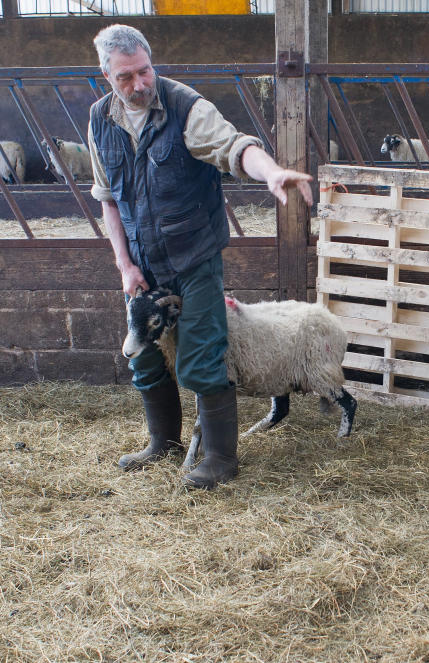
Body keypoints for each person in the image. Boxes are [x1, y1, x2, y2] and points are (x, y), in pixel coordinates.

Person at [89, 24, 314, 489]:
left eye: (144, 71)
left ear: (153, 63)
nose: (139, 85)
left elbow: (235, 146)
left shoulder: (186, 107)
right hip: (142, 268)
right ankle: (163, 444)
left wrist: (269, 172)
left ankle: (219, 460)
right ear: (106, 75)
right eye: (125, 77)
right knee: (146, 359)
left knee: (202, 357)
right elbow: (108, 199)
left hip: (193, 259)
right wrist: (124, 265)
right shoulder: (99, 120)